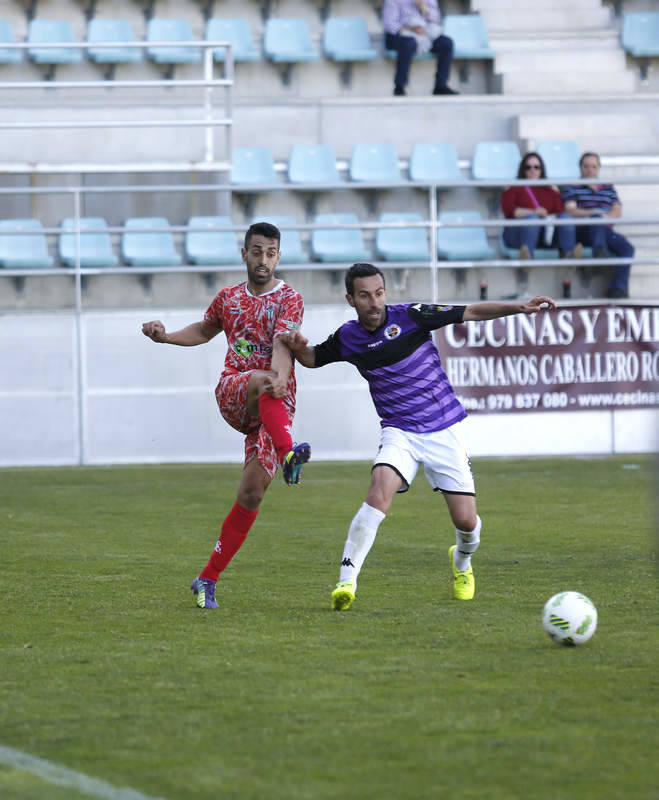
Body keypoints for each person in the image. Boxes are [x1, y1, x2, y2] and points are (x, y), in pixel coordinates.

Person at [281, 263, 557, 610]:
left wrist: (518, 307)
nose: (374, 301)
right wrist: (297, 345)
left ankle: (462, 563)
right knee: (379, 492)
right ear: (351, 299)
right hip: (400, 433)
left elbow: (470, 311)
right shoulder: (348, 337)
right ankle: (346, 583)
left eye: (379, 293)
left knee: (466, 522)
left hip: (444, 429)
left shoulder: (413, 316)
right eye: (364, 295)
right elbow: (313, 358)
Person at [141, 221, 311, 609]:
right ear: (244, 254)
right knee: (263, 380)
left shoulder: (290, 299)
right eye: (256, 251)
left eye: (270, 253)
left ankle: (207, 578)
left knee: (251, 493)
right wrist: (164, 336)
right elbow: (203, 330)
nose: (263, 259)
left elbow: (285, 342)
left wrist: (281, 379)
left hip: (275, 404)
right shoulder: (229, 298)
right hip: (236, 389)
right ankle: (289, 454)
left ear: (278, 257)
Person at [562, 151, 635, 299]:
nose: (590, 170)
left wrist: (603, 217)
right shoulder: (572, 187)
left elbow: (617, 210)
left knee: (628, 248)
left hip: (604, 229)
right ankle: (600, 257)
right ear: (580, 168)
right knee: (596, 219)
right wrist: (593, 214)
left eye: (594, 166)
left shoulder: (608, 188)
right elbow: (571, 210)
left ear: (598, 168)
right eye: (586, 166)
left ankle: (617, 288)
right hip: (583, 231)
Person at [501, 152, 580, 261]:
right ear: (522, 169)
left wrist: (549, 212)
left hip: (545, 234)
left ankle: (570, 255)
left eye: (536, 167)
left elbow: (559, 212)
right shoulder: (513, 187)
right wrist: (533, 212)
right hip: (518, 234)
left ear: (541, 169)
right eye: (528, 167)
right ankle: (527, 259)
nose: (532, 170)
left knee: (565, 217)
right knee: (532, 219)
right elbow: (509, 211)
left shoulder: (550, 189)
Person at [383, 0, 458, 96]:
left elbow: (436, 19)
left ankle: (440, 86)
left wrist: (423, 8)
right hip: (400, 34)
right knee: (408, 43)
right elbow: (389, 24)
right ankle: (399, 86)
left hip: (425, 34)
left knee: (446, 43)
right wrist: (411, 29)